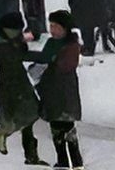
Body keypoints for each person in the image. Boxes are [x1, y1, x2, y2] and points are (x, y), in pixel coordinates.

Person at [0, 11, 44, 161]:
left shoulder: (17, 41)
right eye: (13, 30)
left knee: (32, 114)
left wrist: (46, 56)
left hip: (21, 82)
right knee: (16, 116)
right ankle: (3, 135)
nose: (15, 33)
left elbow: (23, 56)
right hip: (8, 86)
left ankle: (31, 156)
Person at [29, 10, 83, 170]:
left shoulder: (72, 44)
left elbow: (66, 64)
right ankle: (62, 161)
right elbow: (44, 58)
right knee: (55, 125)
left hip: (65, 91)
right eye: (50, 26)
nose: (52, 29)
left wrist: (52, 63)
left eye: (55, 26)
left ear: (64, 28)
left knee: (67, 126)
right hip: (50, 90)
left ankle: (76, 161)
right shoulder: (51, 43)